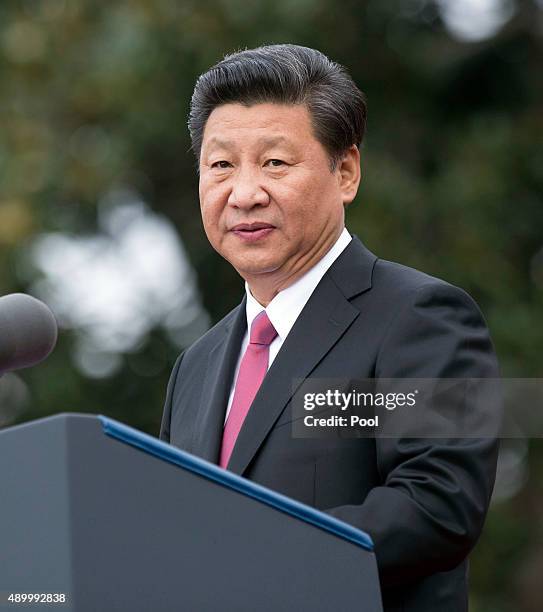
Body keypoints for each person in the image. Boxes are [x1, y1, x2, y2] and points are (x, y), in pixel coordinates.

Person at [160, 44, 499, 611]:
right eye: (221, 165)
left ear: (345, 172)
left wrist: (248, 556)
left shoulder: (423, 318)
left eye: (275, 163)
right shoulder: (193, 367)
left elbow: (438, 504)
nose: (244, 194)